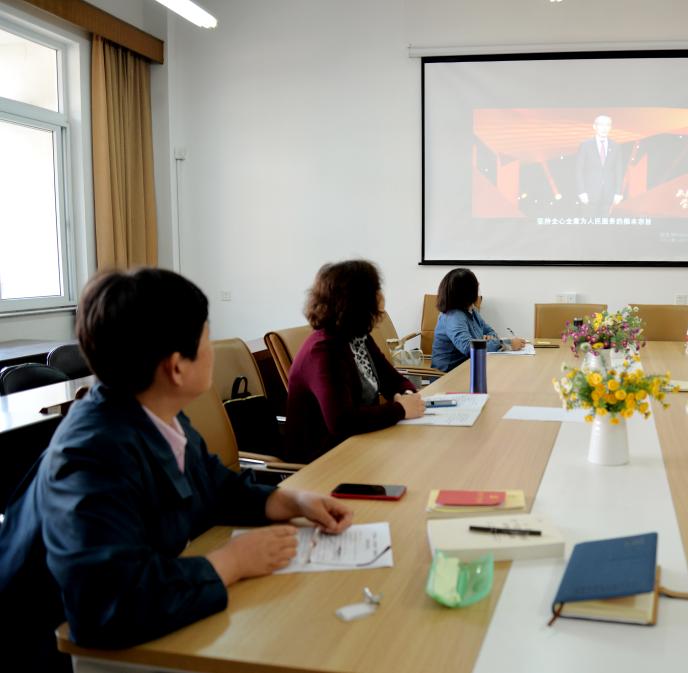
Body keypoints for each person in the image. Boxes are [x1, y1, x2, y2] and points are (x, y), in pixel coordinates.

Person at [0, 268, 354, 671]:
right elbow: (107, 604)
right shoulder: (91, 455)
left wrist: (292, 501)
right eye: (206, 339)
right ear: (176, 368)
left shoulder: (157, 411)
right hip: (49, 652)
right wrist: (231, 563)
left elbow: (214, 486)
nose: (212, 350)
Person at [285, 260, 424, 463]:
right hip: (321, 462)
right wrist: (401, 409)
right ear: (358, 301)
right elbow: (341, 422)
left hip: (361, 446)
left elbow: (393, 380)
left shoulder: (358, 337)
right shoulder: (323, 350)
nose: (381, 296)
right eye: (376, 290)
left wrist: (407, 396)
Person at [431, 268, 526, 372]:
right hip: (449, 375)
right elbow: (469, 348)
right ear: (467, 292)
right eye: (476, 286)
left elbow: (490, 332)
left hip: (469, 367)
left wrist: (489, 340)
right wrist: (507, 344)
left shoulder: (471, 309)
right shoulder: (453, 316)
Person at [575, 114, 626, 217]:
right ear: (594, 126)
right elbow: (578, 170)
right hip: (589, 194)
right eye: (601, 125)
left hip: (609, 195)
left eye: (607, 125)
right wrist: (581, 192)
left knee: (605, 224)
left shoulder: (616, 146)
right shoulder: (585, 145)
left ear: (610, 127)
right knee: (589, 224)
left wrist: (618, 193)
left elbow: (619, 171)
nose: (604, 128)